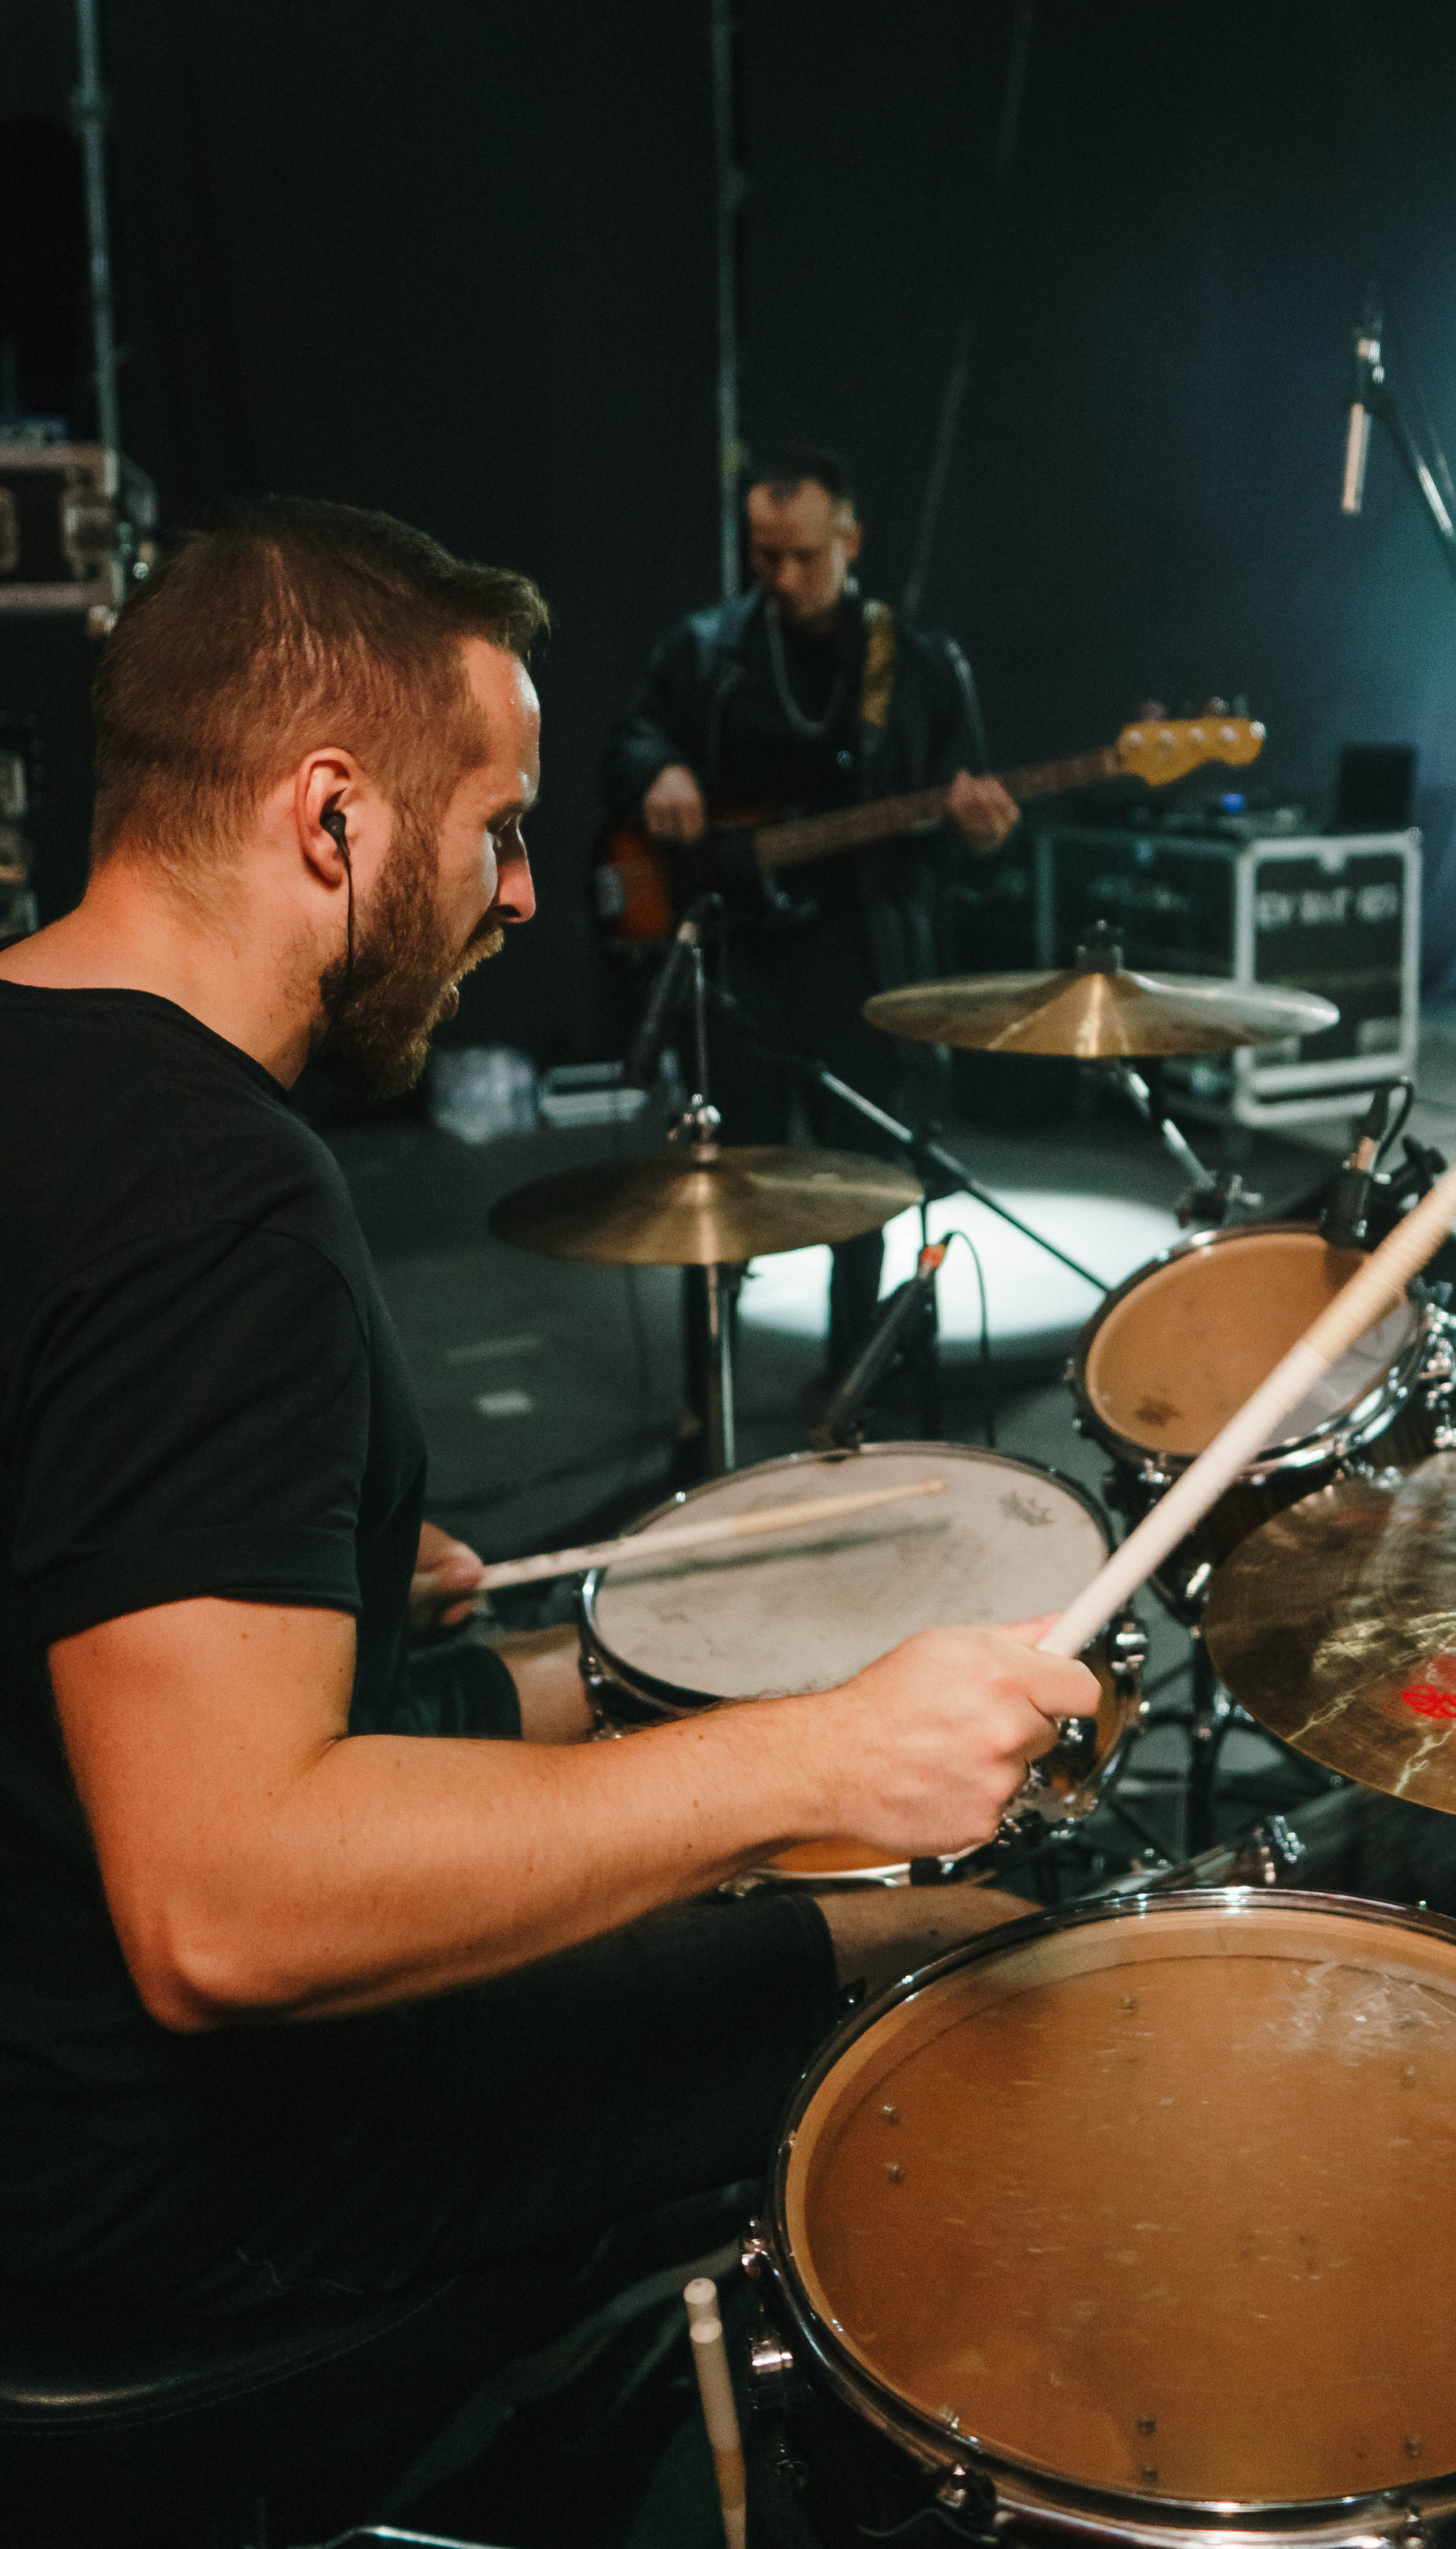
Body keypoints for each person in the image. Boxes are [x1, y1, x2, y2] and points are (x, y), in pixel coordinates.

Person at [0, 498, 1095, 2348]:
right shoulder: (214, 1201)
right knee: (940, 1961)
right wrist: (815, 1760)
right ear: (328, 814)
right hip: (161, 2194)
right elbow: (228, 1906)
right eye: (496, 827)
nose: (521, 894)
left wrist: (568, 1649)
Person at [600, 447, 1016, 1408]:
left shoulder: (918, 667)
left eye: (802, 557)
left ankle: (852, 1389)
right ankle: (709, 1404)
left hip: (860, 963)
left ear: (850, 541)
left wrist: (980, 836)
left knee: (861, 1189)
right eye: (762, 556)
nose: (780, 578)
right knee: (724, 1187)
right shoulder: (704, 649)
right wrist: (655, 768)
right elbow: (627, 736)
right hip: (739, 968)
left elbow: (956, 837)